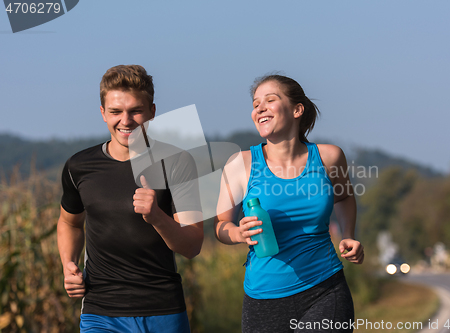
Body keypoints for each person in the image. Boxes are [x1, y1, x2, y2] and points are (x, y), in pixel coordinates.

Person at [57, 65, 204, 333]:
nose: (126, 120)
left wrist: (157, 217)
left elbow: (192, 245)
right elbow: (70, 223)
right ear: (102, 113)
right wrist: (69, 263)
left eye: (135, 110)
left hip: (162, 310)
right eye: (115, 111)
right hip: (100, 312)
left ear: (152, 112)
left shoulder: (177, 163)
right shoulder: (78, 166)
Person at [214, 74, 364, 333]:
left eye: (270, 100)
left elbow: (344, 196)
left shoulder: (329, 157)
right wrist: (238, 233)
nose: (259, 108)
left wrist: (348, 234)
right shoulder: (240, 163)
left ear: (297, 109)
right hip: (263, 298)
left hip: (325, 288)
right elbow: (221, 225)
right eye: (255, 103)